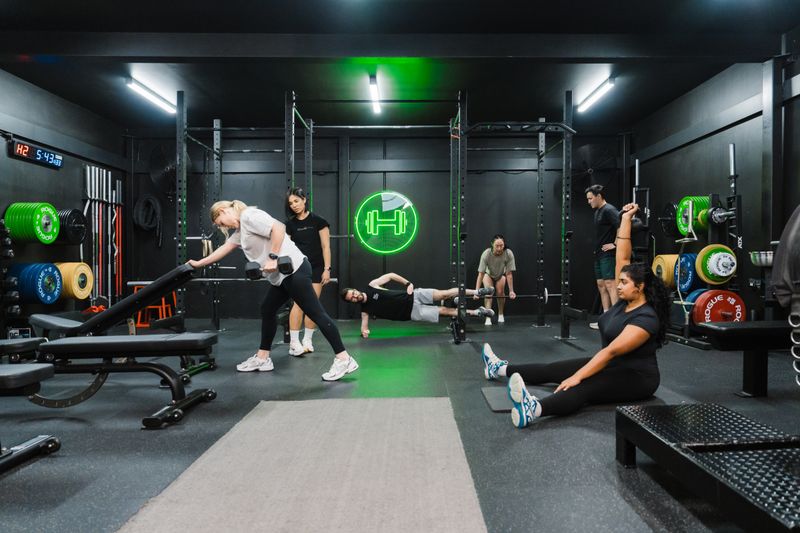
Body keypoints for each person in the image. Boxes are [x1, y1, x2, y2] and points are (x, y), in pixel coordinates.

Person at [479, 203, 670, 428]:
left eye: (624, 283)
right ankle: (498, 369)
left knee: (581, 387)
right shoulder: (624, 301)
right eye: (619, 280)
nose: (618, 286)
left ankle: (535, 409)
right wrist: (626, 219)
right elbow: (622, 257)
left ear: (640, 287)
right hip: (613, 365)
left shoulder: (646, 319)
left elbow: (611, 351)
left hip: (637, 378)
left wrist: (578, 376)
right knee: (553, 369)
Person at [188, 200, 358, 381]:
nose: (225, 227)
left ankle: (344, 358)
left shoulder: (249, 216)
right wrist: (198, 263)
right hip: (282, 277)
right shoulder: (241, 230)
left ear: (222, 211)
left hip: (294, 270)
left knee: (315, 313)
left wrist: (273, 257)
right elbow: (225, 248)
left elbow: (278, 227)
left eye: (221, 222)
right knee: (267, 309)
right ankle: (263, 358)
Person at [340, 273, 495, 338]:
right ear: (352, 302)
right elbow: (364, 327)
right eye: (351, 299)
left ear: (355, 290)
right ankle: (478, 312)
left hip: (413, 294)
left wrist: (408, 283)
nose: (354, 297)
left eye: (353, 293)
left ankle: (478, 291)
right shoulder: (365, 311)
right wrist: (364, 331)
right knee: (445, 311)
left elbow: (391, 275)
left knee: (444, 294)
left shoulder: (372, 285)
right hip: (413, 312)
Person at [284, 187, 331, 356]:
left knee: (312, 304)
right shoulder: (289, 225)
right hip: (298, 268)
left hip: (317, 267)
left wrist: (327, 269)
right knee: (298, 304)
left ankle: (307, 340)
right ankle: (294, 343)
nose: (294, 205)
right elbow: (286, 249)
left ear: (304, 199)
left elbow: (326, 247)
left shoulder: (319, 221)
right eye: (291, 203)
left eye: (296, 201)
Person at [586, 184, 621, 329]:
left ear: (599, 196)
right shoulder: (597, 212)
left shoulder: (609, 210)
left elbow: (621, 225)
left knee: (610, 284)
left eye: (590, 198)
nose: (589, 202)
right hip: (599, 253)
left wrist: (615, 244)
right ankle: (606, 319)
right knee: (601, 285)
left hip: (608, 254)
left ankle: (616, 320)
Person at [474, 234, 516, 325]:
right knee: (489, 293)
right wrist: (476, 292)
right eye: (497, 246)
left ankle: (501, 314)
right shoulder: (486, 254)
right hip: (488, 274)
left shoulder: (508, 253)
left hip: (500, 275)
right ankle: (488, 317)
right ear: (492, 244)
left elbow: (509, 274)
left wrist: (511, 291)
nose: (499, 248)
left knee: (500, 293)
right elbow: (480, 274)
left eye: (501, 245)